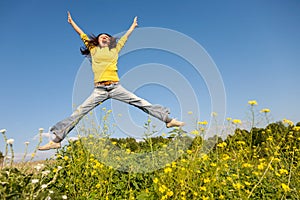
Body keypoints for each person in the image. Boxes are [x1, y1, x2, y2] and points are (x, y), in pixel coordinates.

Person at [38, 12, 185, 151]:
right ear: (97, 40)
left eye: (107, 37)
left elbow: (125, 38)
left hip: (115, 87)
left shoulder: (115, 50)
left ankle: (168, 120)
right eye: (102, 36)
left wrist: (132, 27)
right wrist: (71, 22)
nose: (104, 37)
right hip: (99, 90)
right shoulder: (93, 49)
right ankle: (56, 141)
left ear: (110, 41)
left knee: (140, 102)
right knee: (79, 112)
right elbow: (81, 33)